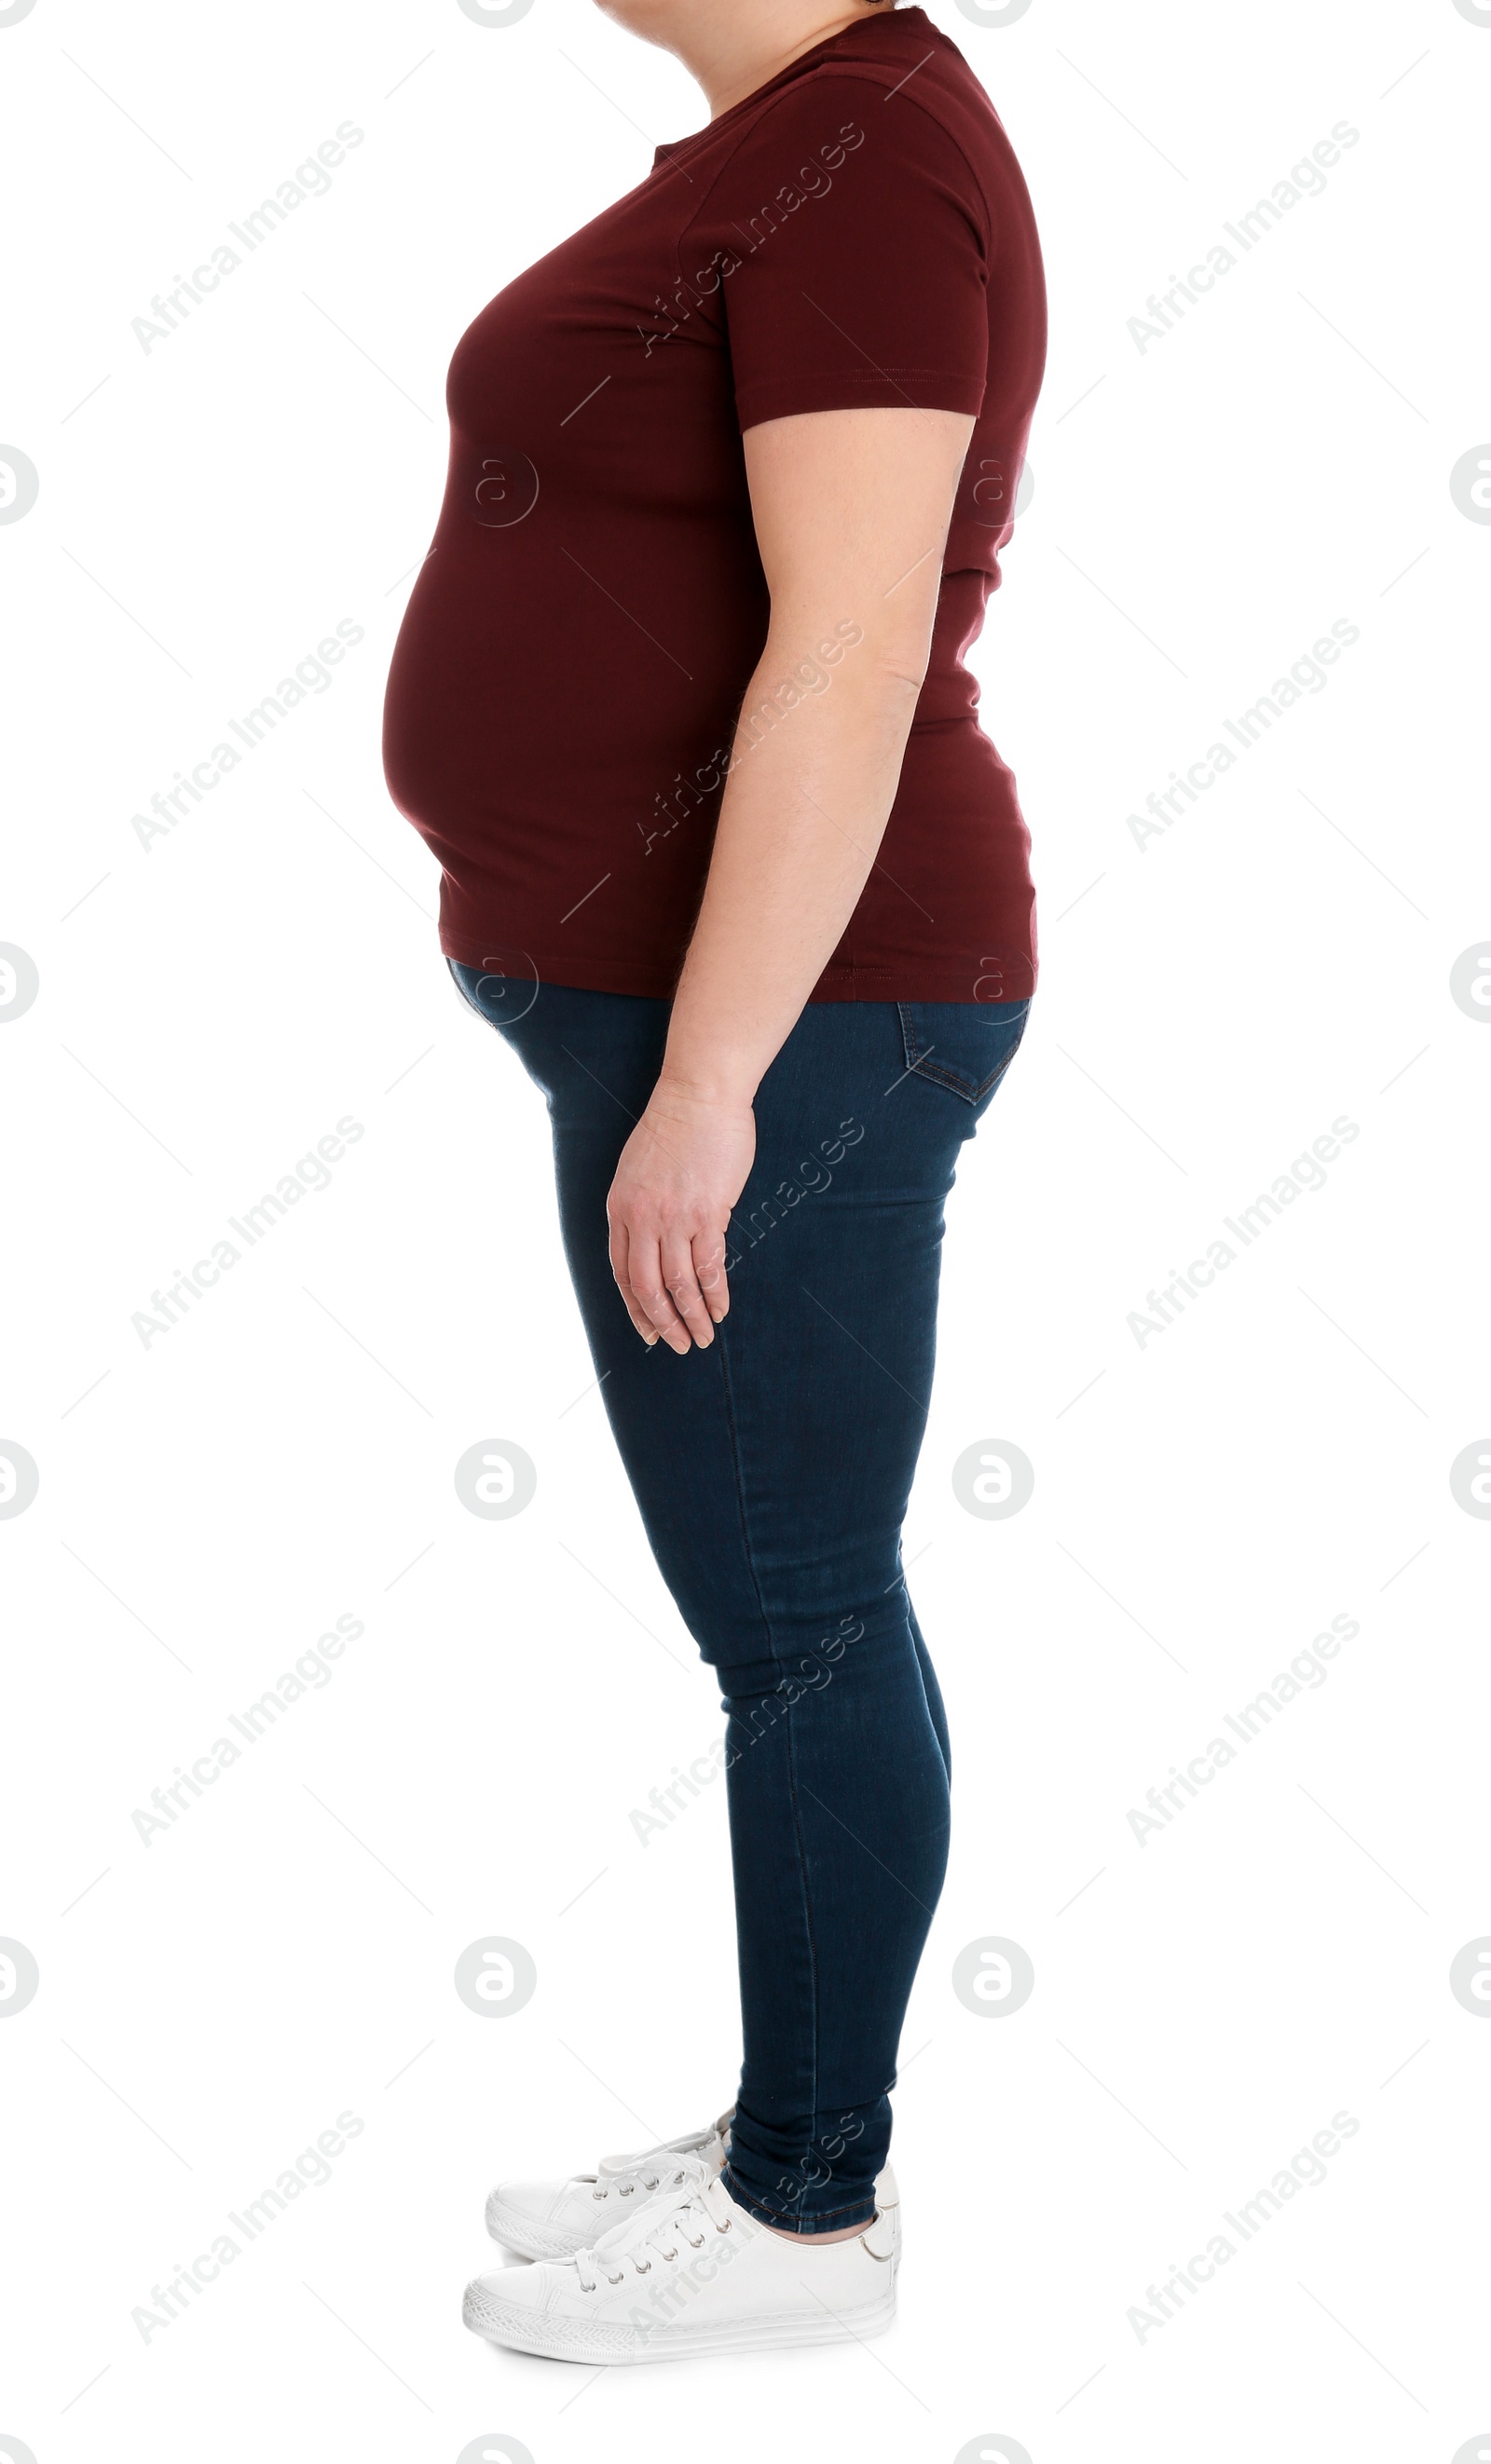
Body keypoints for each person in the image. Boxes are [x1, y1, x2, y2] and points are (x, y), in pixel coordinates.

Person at [382, 0, 1046, 2364]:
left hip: (800, 1021)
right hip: (736, 1019)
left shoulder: (859, 151)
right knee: (790, 1610)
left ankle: (804, 2217)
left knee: (800, 1616)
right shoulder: (792, 141)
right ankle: (791, 2124)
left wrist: (713, 1075)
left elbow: (851, 646)